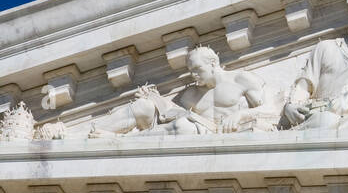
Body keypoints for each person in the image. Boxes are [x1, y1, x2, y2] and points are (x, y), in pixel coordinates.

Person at [88, 45, 265, 136]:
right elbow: (167, 112)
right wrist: (153, 98)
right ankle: (86, 133)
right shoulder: (190, 94)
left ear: (213, 63)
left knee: (184, 127)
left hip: (225, 135)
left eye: (197, 69)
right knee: (144, 106)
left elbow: (270, 109)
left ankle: (121, 141)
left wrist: (241, 115)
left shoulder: (241, 79)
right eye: (191, 71)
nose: (194, 75)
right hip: (194, 131)